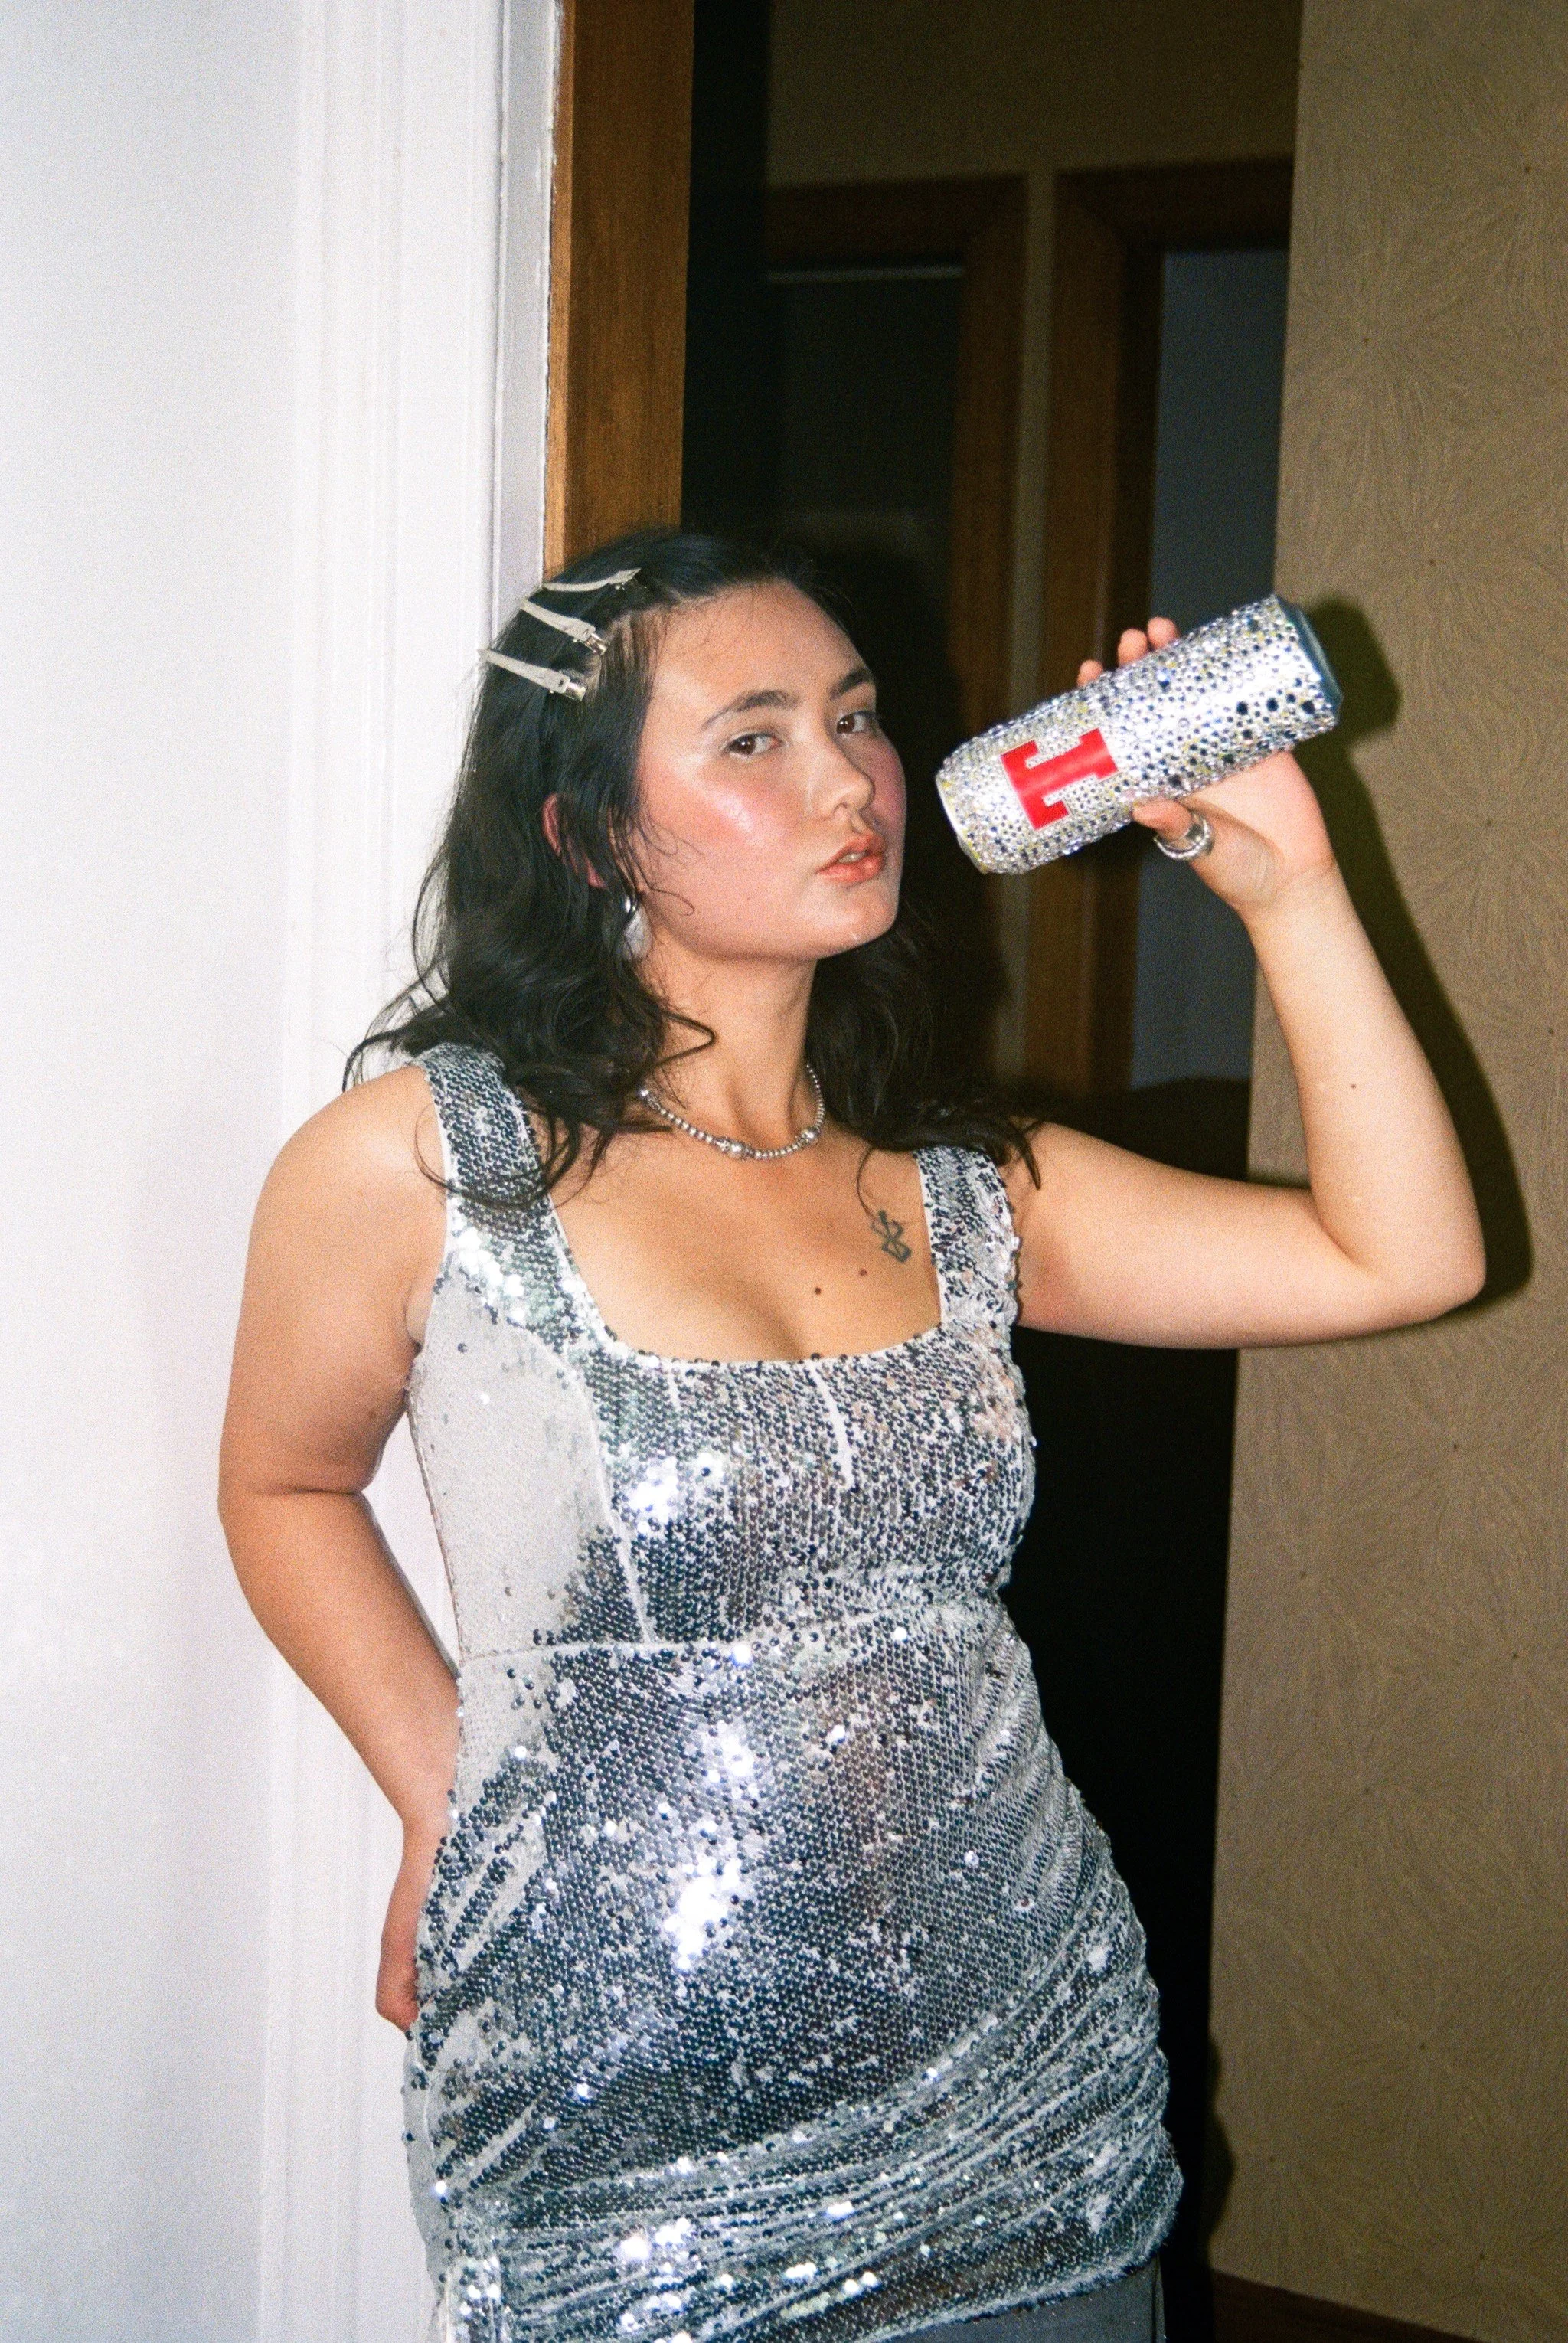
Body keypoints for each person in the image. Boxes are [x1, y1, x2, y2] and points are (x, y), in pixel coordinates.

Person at [219, 530, 1483, 2343]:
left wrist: (1290, 891)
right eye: (752, 738)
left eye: (859, 717)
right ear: (590, 839)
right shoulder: (430, 1162)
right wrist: (445, 1796)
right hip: (620, 2112)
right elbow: (282, 1482)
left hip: (1024, 2076)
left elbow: (1404, 1257)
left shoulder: (962, 1188)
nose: (849, 781)